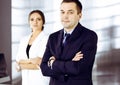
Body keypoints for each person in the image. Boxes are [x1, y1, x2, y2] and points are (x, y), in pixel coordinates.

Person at [40, 0, 98, 85]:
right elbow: (44, 68)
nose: (65, 16)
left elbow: (77, 68)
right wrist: (69, 64)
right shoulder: (53, 37)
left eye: (70, 12)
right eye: (62, 12)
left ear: (79, 15)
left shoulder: (89, 36)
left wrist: (53, 63)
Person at [16, 10, 50, 85]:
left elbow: (40, 63)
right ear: (29, 22)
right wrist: (31, 61)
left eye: (38, 19)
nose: (35, 22)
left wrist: (21, 65)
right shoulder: (23, 40)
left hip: (40, 80)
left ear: (43, 22)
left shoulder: (47, 39)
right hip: (26, 81)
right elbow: (18, 60)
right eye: (32, 19)